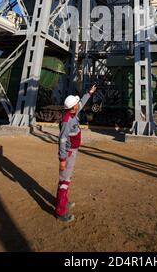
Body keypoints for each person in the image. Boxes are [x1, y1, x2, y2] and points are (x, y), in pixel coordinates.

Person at [54, 84, 97, 223]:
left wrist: (89, 93)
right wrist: (62, 158)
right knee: (64, 181)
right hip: (68, 153)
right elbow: (62, 140)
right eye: (76, 104)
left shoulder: (73, 112)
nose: (78, 105)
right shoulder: (67, 121)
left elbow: (82, 102)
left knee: (67, 179)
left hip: (73, 151)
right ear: (72, 108)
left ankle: (64, 201)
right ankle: (60, 211)